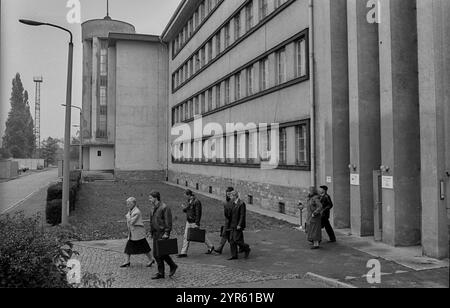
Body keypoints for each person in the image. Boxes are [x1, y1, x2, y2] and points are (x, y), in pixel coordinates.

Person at [149, 191, 178, 279]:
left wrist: (166, 233)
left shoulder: (164, 207)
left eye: (150, 198)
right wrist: (151, 232)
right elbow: (152, 221)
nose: (149, 199)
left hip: (162, 233)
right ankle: (161, 272)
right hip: (155, 233)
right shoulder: (152, 208)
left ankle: (172, 266)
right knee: (156, 254)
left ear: (156, 198)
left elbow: (168, 222)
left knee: (162, 253)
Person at [178, 189, 215, 257]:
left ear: (189, 195)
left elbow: (198, 213)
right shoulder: (189, 200)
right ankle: (183, 252)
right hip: (188, 221)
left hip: (194, 222)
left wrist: (197, 223)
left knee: (200, 235)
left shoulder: (197, 202)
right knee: (186, 236)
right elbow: (189, 210)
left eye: (186, 196)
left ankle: (210, 246)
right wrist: (184, 208)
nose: (185, 197)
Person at [121, 197, 155, 268]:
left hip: (138, 234)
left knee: (145, 247)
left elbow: (132, 222)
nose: (127, 205)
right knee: (128, 247)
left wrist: (127, 216)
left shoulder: (136, 212)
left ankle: (151, 259)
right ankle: (127, 261)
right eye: (127, 203)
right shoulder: (131, 210)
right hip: (133, 233)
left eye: (129, 203)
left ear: (133, 203)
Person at [227, 190, 251, 260]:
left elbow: (242, 215)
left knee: (236, 240)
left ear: (235, 196)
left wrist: (239, 224)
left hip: (238, 225)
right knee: (231, 240)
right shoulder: (232, 203)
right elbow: (230, 213)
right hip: (232, 224)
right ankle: (234, 255)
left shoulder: (241, 203)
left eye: (231, 196)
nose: (230, 197)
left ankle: (246, 248)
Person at [213, 187, 234, 255]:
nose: (228, 195)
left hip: (233, 222)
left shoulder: (234, 201)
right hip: (227, 221)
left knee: (234, 237)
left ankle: (243, 247)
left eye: (229, 194)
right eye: (227, 194)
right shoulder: (225, 201)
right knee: (224, 234)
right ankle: (220, 248)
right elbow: (226, 212)